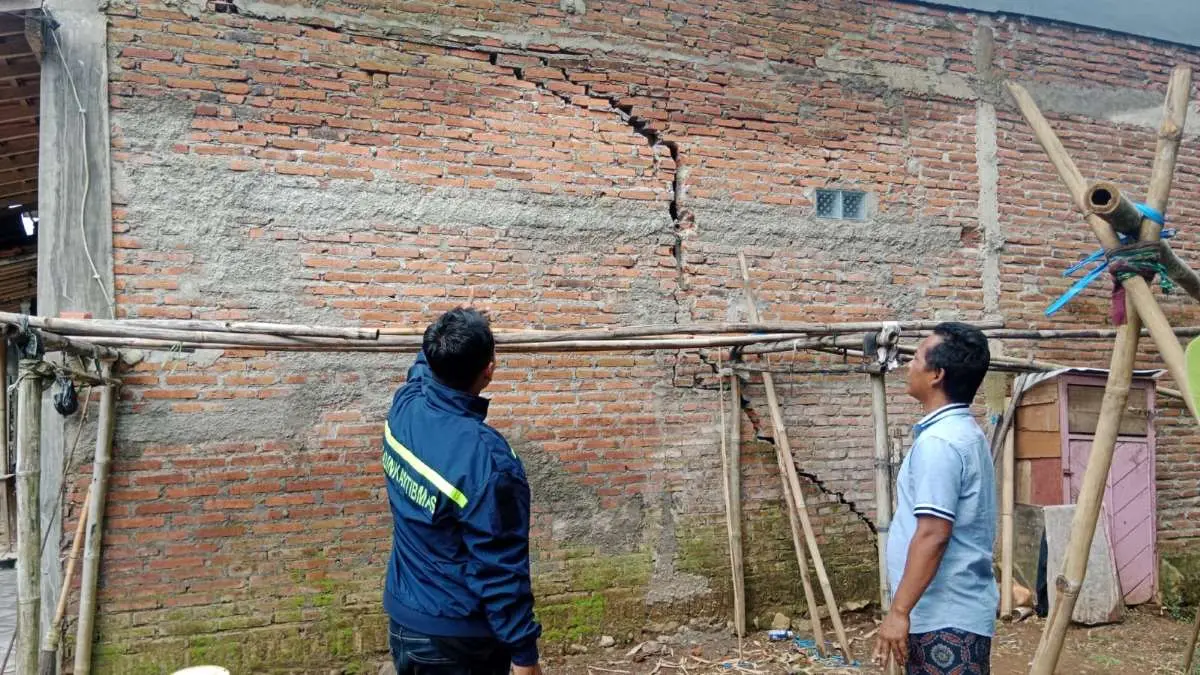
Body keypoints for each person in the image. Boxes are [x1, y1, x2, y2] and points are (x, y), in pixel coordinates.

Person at [382, 307, 543, 675]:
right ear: (489, 369)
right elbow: (501, 570)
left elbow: (423, 363)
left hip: (405, 621)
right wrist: (524, 657)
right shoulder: (487, 462)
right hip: (458, 642)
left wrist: (454, 326)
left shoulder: (406, 404)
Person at [873, 322, 997, 674]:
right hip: (953, 612)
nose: (908, 365)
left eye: (915, 358)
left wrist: (899, 611)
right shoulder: (965, 432)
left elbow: (933, 534)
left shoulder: (940, 443)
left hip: (944, 618)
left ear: (937, 375)